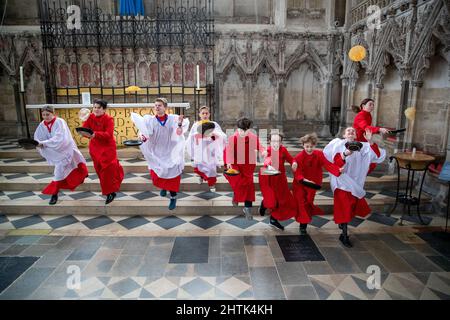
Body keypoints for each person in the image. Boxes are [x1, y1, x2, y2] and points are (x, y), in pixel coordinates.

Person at [323, 127, 386, 248]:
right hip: (341, 181)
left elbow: (376, 156)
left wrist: (370, 141)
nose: (351, 132)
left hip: (355, 183)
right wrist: (345, 154)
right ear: (344, 134)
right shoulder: (338, 144)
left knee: (350, 207)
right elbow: (335, 163)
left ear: (356, 136)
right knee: (345, 208)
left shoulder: (363, 146)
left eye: (353, 131)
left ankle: (343, 224)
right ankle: (344, 235)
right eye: (348, 131)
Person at [133, 97, 189, 210]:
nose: (157, 107)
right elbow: (145, 133)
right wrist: (142, 137)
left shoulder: (173, 119)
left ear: (165, 107)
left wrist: (179, 124)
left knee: (173, 173)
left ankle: (173, 197)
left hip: (171, 151)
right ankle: (164, 186)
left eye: (159, 105)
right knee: (158, 171)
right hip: (157, 151)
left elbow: (179, 133)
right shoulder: (150, 120)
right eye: (155, 105)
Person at [34, 106, 88, 205]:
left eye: (48, 114)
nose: (46, 117)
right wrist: (39, 143)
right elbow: (38, 138)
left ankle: (54, 194)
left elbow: (60, 137)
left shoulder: (59, 122)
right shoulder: (42, 125)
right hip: (55, 152)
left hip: (65, 149)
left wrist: (44, 143)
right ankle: (55, 194)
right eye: (43, 115)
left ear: (53, 114)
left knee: (76, 164)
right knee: (62, 170)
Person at [292, 133, 342, 235]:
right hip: (300, 184)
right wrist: (303, 180)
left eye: (311, 146)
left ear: (314, 146)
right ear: (303, 145)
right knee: (302, 203)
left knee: (309, 202)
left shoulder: (319, 154)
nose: (309, 149)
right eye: (307, 146)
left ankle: (305, 220)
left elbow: (327, 165)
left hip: (313, 184)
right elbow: (298, 173)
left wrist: (337, 170)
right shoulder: (299, 157)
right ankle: (303, 225)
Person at [82, 99, 124, 204]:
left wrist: (94, 134)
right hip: (95, 148)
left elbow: (108, 134)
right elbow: (85, 130)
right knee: (99, 170)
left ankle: (110, 193)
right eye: (94, 107)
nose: (96, 109)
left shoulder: (108, 119)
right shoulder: (90, 117)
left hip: (107, 148)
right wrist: (83, 131)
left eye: (98, 108)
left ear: (104, 109)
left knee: (107, 170)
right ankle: (109, 190)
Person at [223, 117, 266, 220]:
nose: (242, 132)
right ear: (237, 129)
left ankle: (247, 208)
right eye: (240, 130)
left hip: (248, 165)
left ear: (249, 129)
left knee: (249, 186)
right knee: (238, 182)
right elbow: (228, 151)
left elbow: (259, 146)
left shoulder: (253, 137)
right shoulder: (233, 138)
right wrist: (228, 161)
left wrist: (263, 151)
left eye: (245, 130)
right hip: (236, 164)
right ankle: (236, 194)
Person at [258, 132, 297, 230]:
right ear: (270, 142)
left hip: (280, 179)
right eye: (274, 141)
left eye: (278, 141)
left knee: (281, 201)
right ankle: (264, 204)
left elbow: (291, 159)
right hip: (269, 179)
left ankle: (273, 219)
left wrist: (294, 162)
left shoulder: (283, 150)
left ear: (281, 142)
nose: (276, 143)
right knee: (272, 200)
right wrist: (265, 156)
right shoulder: (268, 150)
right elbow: (266, 159)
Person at [186, 106, 226, 192]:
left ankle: (211, 184)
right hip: (199, 149)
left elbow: (222, 135)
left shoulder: (214, 124)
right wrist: (198, 136)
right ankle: (201, 176)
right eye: (203, 113)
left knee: (211, 168)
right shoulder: (196, 125)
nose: (205, 115)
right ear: (200, 114)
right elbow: (191, 137)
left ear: (209, 114)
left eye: (206, 113)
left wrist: (213, 135)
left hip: (210, 149)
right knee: (200, 166)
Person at [352, 98, 390, 174]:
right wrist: (379, 129)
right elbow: (365, 127)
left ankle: (362, 174)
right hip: (358, 142)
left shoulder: (368, 115)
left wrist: (376, 131)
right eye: (370, 104)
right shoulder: (360, 115)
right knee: (366, 161)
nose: (372, 106)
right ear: (363, 106)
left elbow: (367, 130)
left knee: (373, 160)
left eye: (373, 105)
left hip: (365, 141)